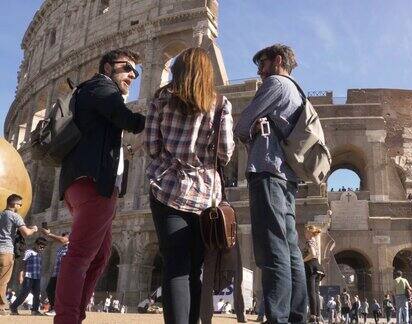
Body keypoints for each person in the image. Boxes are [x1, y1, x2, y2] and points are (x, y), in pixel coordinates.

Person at [55, 48, 145, 324]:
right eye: (126, 68)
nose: (132, 74)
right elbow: (129, 121)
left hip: (81, 184)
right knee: (81, 256)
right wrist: (161, 115)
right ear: (107, 67)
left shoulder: (90, 90)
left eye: (136, 71)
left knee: (100, 254)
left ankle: (76, 314)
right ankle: (67, 318)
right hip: (93, 184)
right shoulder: (102, 88)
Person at [144, 47, 234, 324]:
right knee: (195, 268)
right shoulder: (220, 105)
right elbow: (225, 153)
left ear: (176, 71)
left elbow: (151, 147)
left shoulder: (159, 102)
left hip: (166, 189)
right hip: (205, 197)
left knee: (174, 266)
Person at [234, 43, 307, 323]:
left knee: (273, 247)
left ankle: (277, 317)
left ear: (277, 60)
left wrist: (251, 132)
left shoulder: (275, 83)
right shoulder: (297, 92)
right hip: (287, 177)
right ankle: (296, 316)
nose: (259, 72)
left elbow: (241, 126)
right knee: (290, 251)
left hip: (267, 170)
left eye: (261, 64)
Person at [0, 194, 38, 315]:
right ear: (15, 204)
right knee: (3, 280)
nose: (20, 207)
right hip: (6, 251)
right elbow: (26, 233)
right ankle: (1, 307)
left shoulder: (1, 214)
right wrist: (34, 229)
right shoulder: (15, 216)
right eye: (20, 204)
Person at [10, 237, 48, 315]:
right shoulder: (29, 252)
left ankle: (35, 310)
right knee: (24, 294)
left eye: (43, 248)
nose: (42, 249)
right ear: (36, 244)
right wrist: (21, 276)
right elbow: (22, 265)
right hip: (29, 277)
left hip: (37, 277)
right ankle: (13, 307)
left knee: (37, 294)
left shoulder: (39, 254)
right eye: (41, 247)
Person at [42, 230, 69, 316]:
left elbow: (62, 240)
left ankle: (57, 309)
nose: (64, 237)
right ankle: (54, 308)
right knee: (49, 290)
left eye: (66, 236)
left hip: (65, 274)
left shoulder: (72, 247)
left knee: (61, 292)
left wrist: (49, 234)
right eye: (63, 235)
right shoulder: (60, 248)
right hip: (56, 273)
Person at [303, 225, 322, 323]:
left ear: (310, 233)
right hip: (318, 267)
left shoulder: (310, 241)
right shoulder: (315, 241)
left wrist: (302, 260)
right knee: (316, 292)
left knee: (311, 292)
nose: (305, 234)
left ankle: (312, 315)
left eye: (306, 232)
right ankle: (318, 315)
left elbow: (313, 254)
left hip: (310, 267)